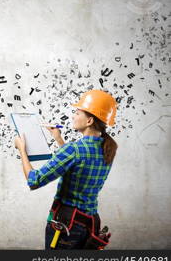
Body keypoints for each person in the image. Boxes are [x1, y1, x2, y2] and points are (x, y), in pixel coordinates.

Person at [14, 89, 118, 249]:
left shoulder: (73, 150)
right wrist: (58, 138)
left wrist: (22, 149)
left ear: (89, 121)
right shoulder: (107, 148)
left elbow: (34, 181)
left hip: (66, 226)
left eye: (77, 112)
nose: (73, 116)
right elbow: (77, 166)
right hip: (90, 224)